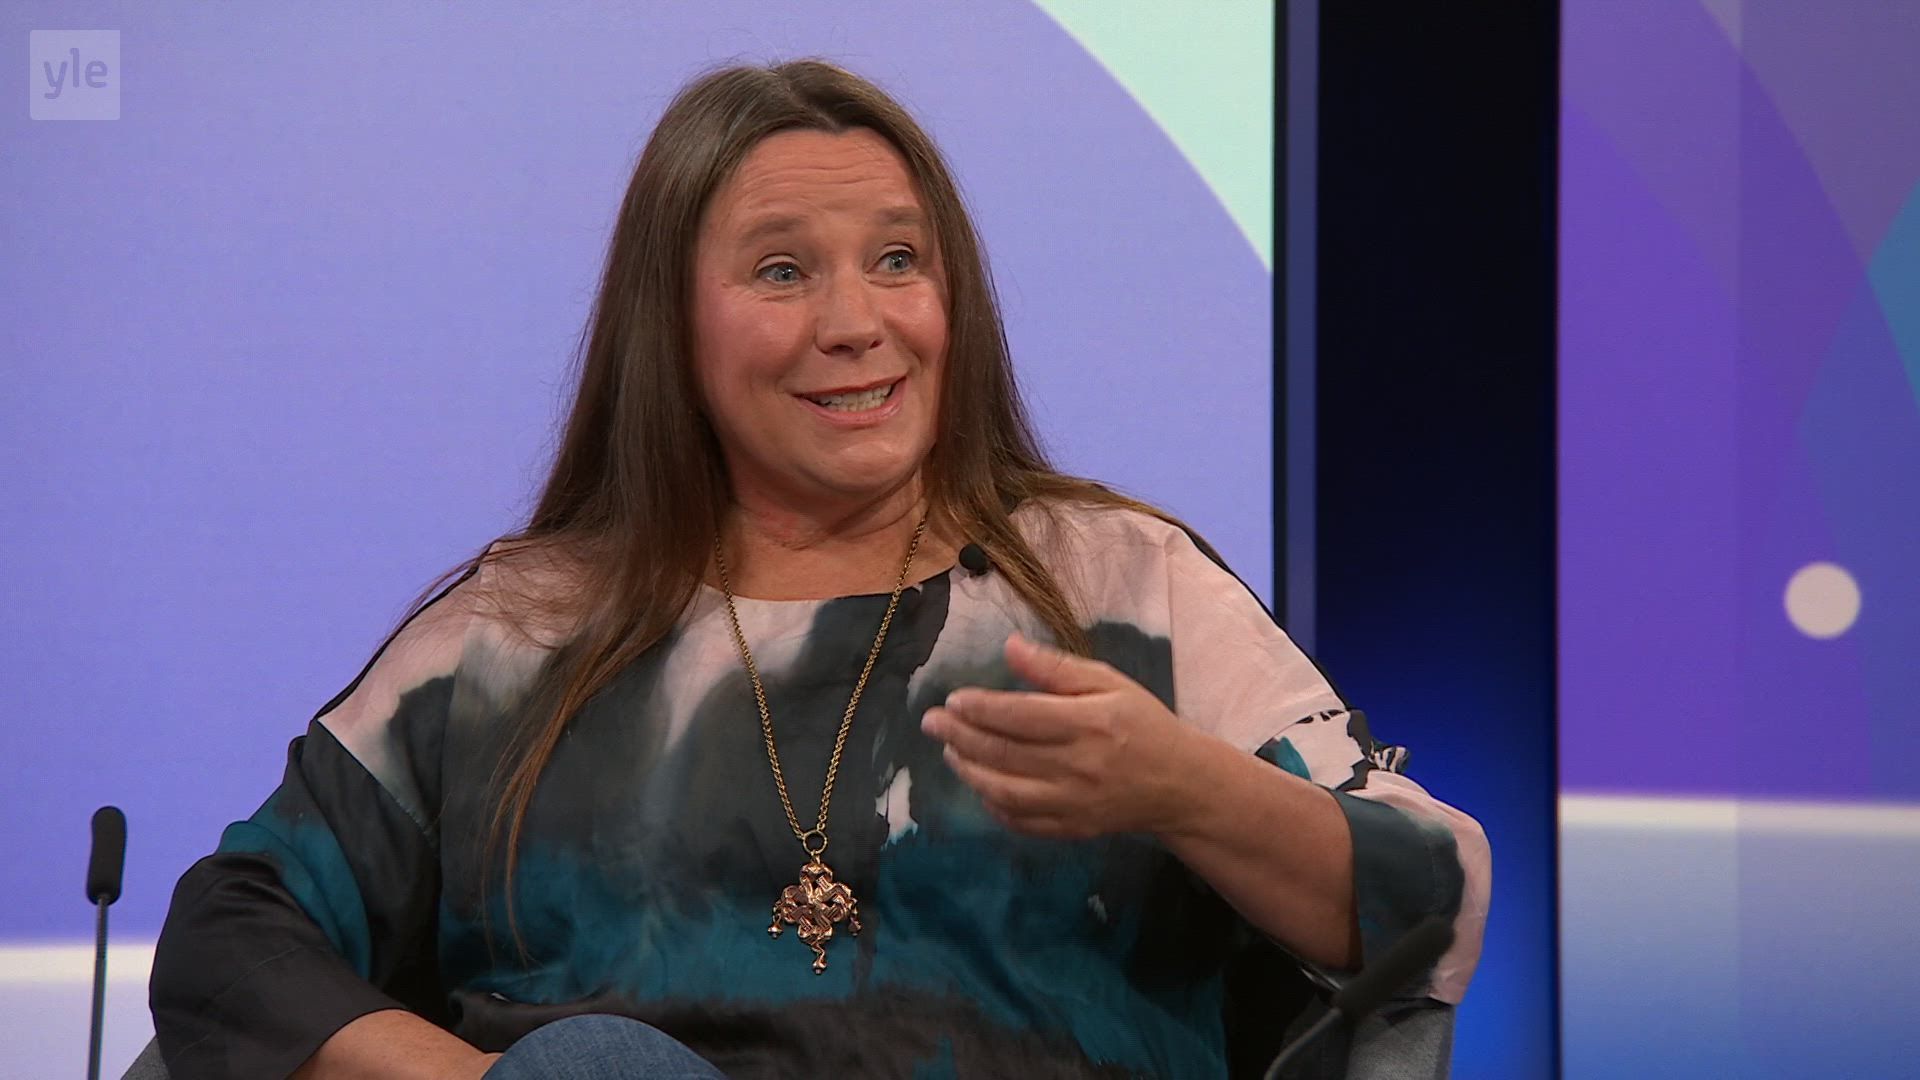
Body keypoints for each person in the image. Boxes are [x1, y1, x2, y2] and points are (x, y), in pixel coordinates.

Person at [149, 59, 1490, 1080]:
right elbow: (234, 932)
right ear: (671, 330)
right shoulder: (523, 628)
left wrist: (1183, 786)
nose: (857, 322)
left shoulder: (1116, 587)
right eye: (783, 272)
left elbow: (1436, 898)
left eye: (898, 261)